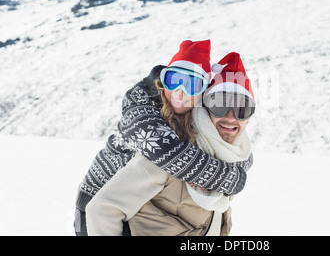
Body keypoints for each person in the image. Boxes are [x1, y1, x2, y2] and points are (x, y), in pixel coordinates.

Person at [74, 40, 251, 236]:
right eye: (174, 80)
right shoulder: (144, 113)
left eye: (193, 84)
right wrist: (228, 177)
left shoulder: (196, 122)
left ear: (203, 94)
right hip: (96, 197)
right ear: (162, 80)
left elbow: (232, 148)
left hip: (133, 205)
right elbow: (165, 151)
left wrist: (239, 163)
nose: (180, 91)